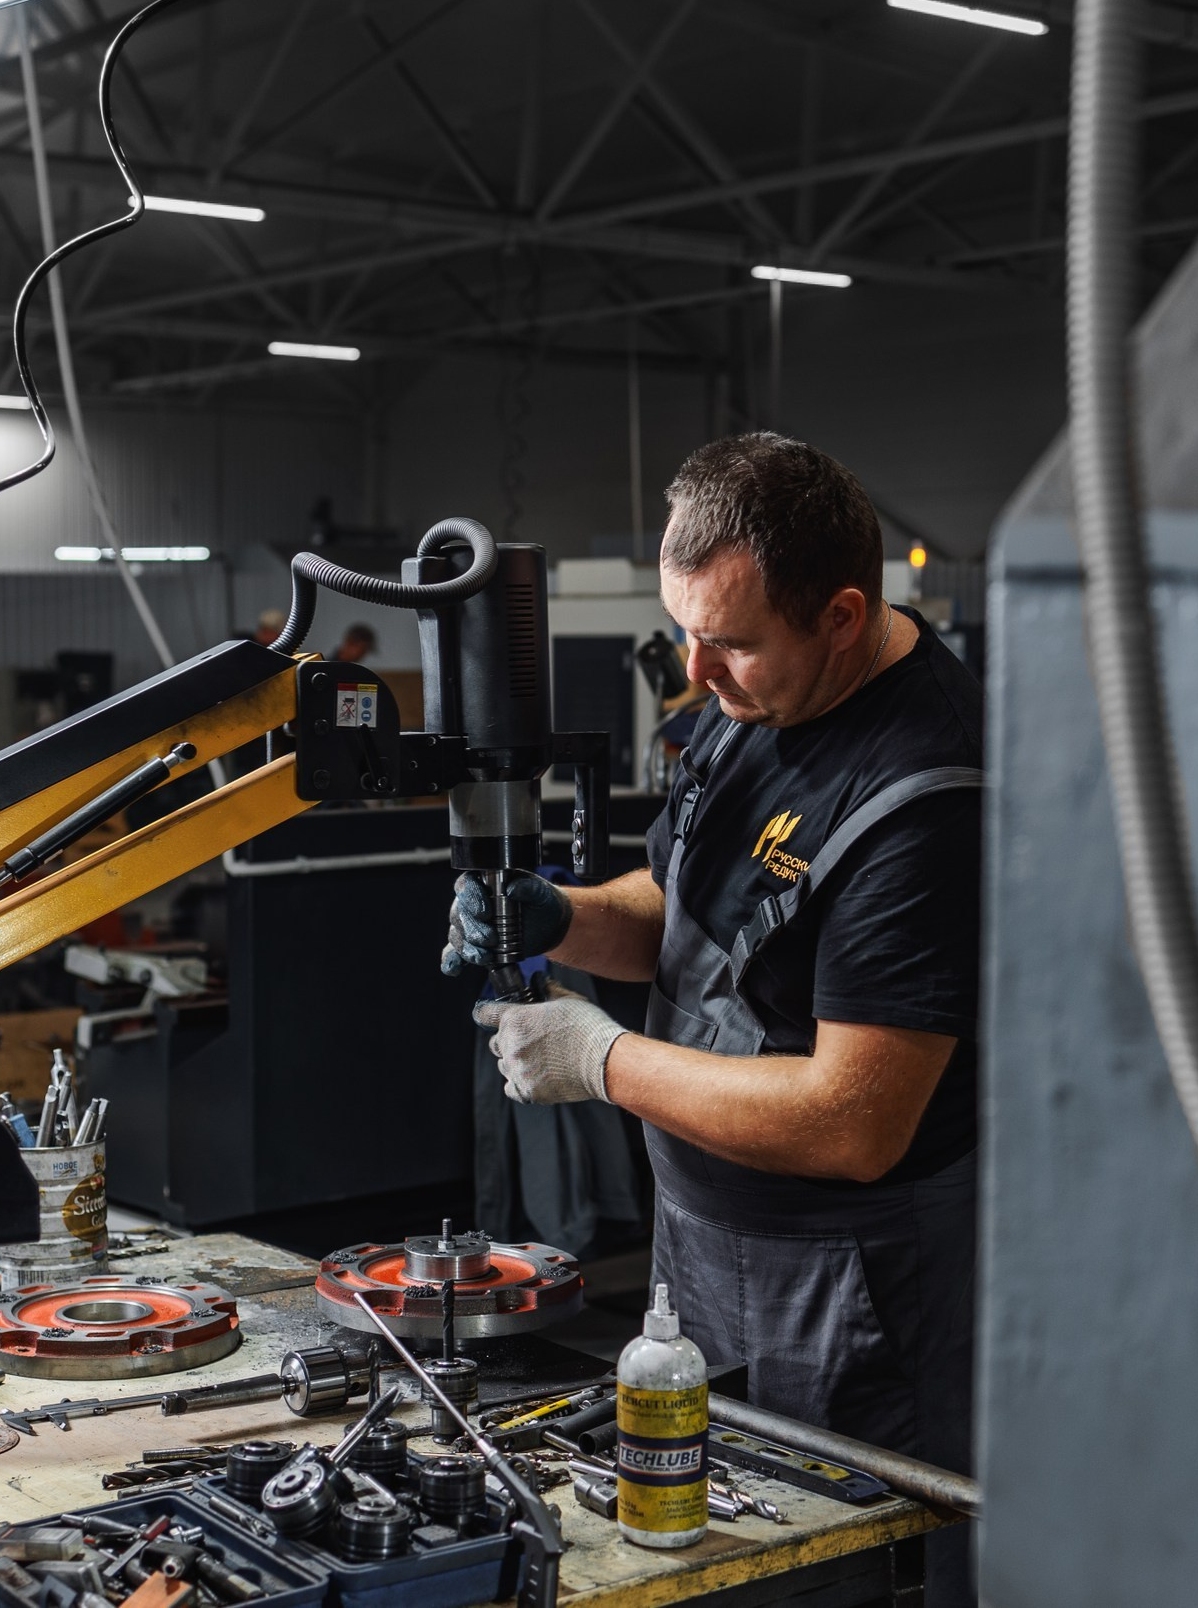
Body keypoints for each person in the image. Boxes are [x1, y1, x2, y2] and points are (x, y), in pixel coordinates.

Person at [443, 433, 982, 1604]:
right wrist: (558, 917)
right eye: (684, 628)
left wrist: (604, 1058)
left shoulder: (922, 796)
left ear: (842, 615)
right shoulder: (748, 699)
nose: (695, 671)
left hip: (849, 1284)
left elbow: (855, 1121)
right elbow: (686, 912)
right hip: (697, 1237)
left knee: (828, 1567)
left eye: (729, 641)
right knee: (703, 1559)